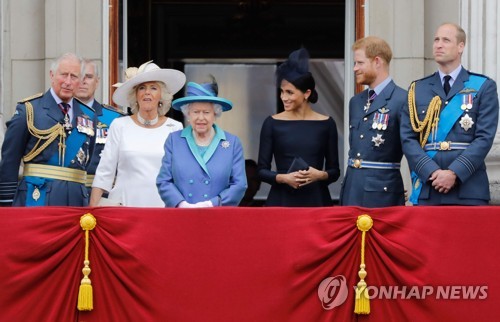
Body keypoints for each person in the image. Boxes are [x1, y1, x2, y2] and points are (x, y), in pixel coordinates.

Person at [401, 23, 499, 205]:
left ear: (461, 46)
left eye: (446, 40)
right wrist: (432, 172)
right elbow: (408, 138)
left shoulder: (483, 86)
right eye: (436, 40)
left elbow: (484, 138)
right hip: (429, 187)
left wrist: (454, 173)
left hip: (469, 188)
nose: (438, 45)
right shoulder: (417, 89)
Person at [0, 53, 96, 206]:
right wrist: (6, 203)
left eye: (74, 77)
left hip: (76, 201)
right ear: (52, 75)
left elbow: (88, 162)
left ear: (80, 81)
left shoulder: (89, 116)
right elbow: (10, 161)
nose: (68, 82)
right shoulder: (29, 110)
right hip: (37, 198)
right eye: (64, 75)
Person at [89, 61, 186, 207]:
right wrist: (92, 211)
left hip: (161, 207)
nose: (147, 92)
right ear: (135, 95)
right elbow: (105, 171)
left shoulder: (174, 127)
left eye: (153, 88)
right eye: (142, 88)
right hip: (124, 206)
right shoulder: (120, 125)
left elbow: (180, 174)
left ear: (161, 96)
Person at [257, 48, 340, 207]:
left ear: (307, 93)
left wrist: (320, 175)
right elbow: (261, 171)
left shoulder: (327, 124)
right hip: (281, 201)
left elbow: (334, 171)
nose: (283, 98)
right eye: (282, 92)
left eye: (289, 92)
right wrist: (283, 178)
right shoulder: (272, 123)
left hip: (317, 201)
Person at [156, 77, 247, 207]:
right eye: (195, 112)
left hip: (217, 216)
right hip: (181, 216)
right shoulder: (174, 140)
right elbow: (163, 181)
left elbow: (239, 185)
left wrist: (212, 204)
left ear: (215, 114)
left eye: (206, 112)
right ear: (188, 114)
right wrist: (181, 204)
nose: (201, 118)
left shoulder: (232, 143)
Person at [339, 36, 407, 207]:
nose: (355, 68)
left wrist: (417, 192)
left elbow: (413, 149)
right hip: (351, 189)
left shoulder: (403, 99)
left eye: (360, 63)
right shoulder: (356, 102)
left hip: (382, 193)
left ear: (377, 61)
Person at [74, 59, 125, 193]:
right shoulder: (58, 115)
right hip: (67, 193)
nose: (83, 81)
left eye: (89, 77)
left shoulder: (116, 119)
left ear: (97, 81)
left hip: (104, 194)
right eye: (78, 76)